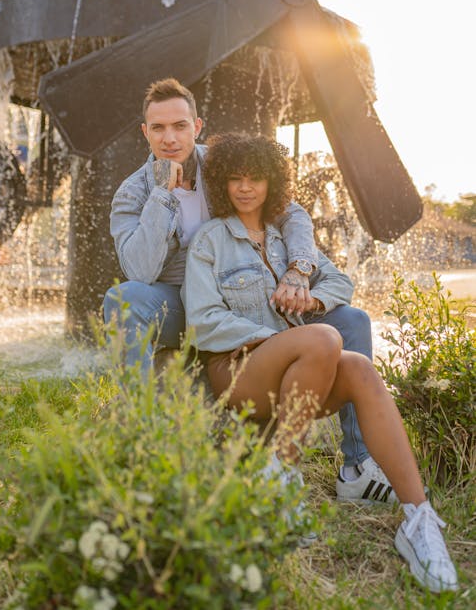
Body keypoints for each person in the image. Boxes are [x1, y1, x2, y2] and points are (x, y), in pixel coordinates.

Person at [182, 132, 458, 593]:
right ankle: (281, 482)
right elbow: (204, 321)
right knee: (326, 339)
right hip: (237, 372)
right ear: (221, 183)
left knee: (360, 369)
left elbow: (342, 284)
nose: (245, 188)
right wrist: (289, 341)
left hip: (298, 371)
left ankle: (418, 519)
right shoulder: (210, 240)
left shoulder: (288, 242)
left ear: (272, 183)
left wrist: (308, 302)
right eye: (235, 179)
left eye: (255, 178)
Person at [104, 77, 389, 504]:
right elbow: (140, 271)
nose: (169, 138)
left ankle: (358, 465)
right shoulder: (132, 193)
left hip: (252, 296)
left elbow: (292, 214)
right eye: (158, 128)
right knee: (123, 301)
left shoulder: (223, 166)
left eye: (179, 126)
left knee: (351, 320)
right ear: (144, 132)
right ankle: (143, 447)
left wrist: (298, 269)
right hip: (185, 304)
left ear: (197, 126)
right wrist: (163, 194)